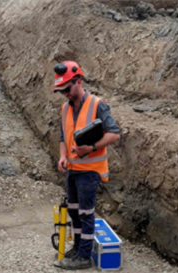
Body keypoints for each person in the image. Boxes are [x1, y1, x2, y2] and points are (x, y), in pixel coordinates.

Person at [53, 61, 120, 270]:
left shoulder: (97, 104)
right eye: (61, 90)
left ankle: (83, 257)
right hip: (72, 170)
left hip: (89, 172)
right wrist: (63, 156)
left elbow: (114, 133)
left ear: (78, 81)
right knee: (74, 211)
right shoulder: (65, 108)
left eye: (67, 88)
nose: (64, 93)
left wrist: (90, 147)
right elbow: (64, 137)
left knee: (85, 213)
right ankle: (80, 247)